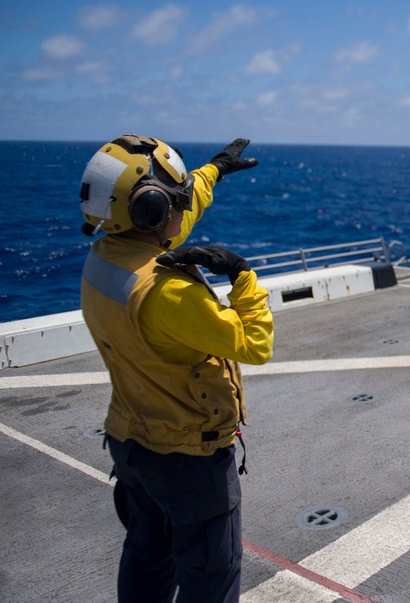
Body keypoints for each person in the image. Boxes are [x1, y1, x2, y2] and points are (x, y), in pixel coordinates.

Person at [78, 134, 273, 602]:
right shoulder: (169, 292)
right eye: (178, 201)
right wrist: (241, 273)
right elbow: (255, 343)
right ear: (152, 210)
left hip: (131, 444)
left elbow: (168, 218)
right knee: (212, 574)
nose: (184, 209)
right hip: (188, 458)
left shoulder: (106, 259)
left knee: (147, 556)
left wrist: (212, 172)